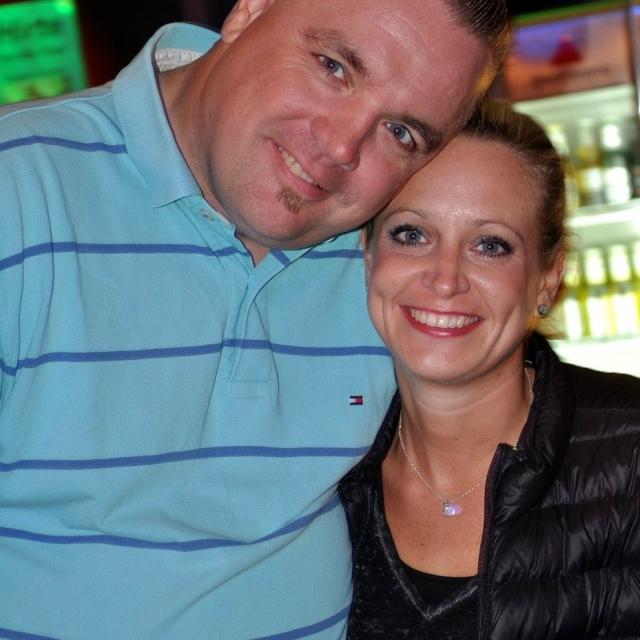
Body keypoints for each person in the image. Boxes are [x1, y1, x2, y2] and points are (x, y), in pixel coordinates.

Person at [0, 1, 512, 639]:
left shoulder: (394, 256)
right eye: (333, 66)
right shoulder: (17, 188)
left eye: (401, 132)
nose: (341, 146)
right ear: (250, 9)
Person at [339, 101, 640, 638]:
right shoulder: (325, 468)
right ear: (368, 254)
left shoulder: (631, 448)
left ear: (547, 278)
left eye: (490, 245)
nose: (445, 278)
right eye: (411, 234)